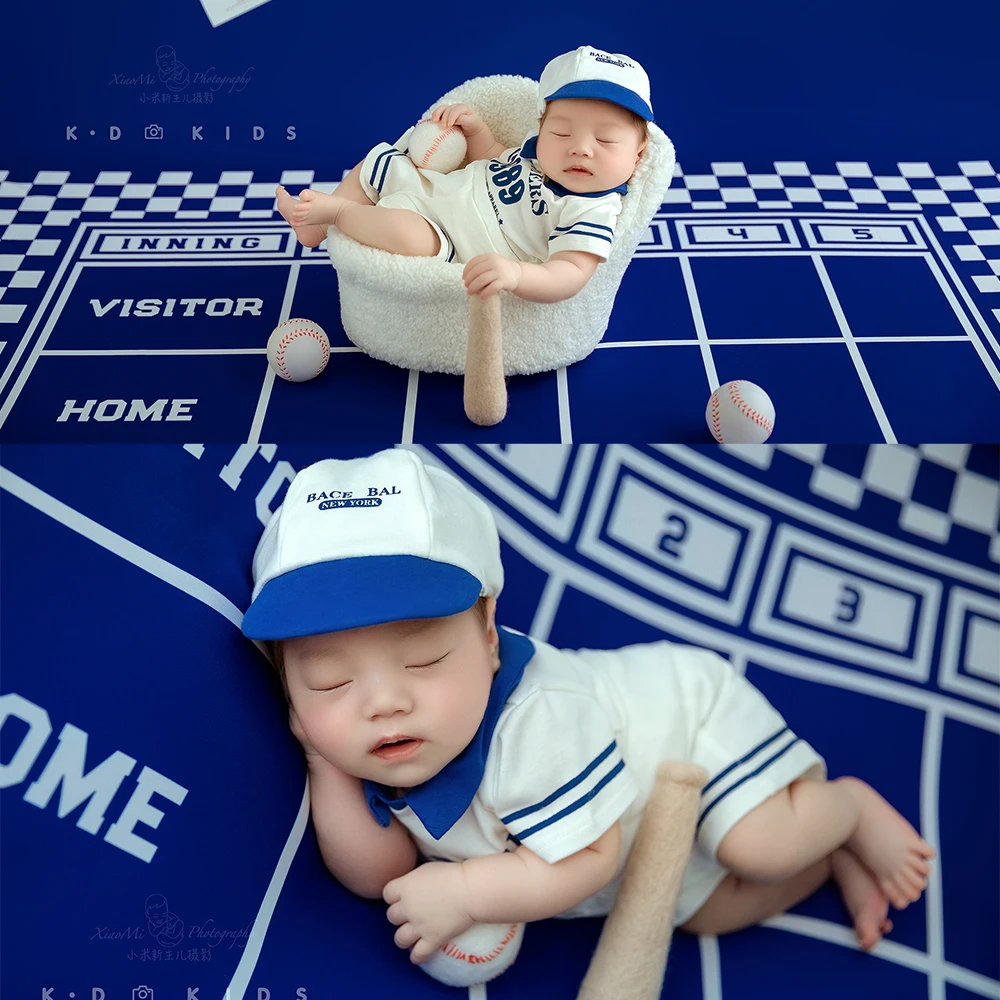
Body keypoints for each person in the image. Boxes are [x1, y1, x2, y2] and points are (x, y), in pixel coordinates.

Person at [240, 449, 935, 968]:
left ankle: (846, 808)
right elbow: (378, 874)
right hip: (626, 838)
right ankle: (827, 853)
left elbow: (593, 859)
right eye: (329, 680)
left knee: (754, 846)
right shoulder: (374, 736)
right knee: (710, 915)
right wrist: (319, 754)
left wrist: (469, 895)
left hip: (685, 729)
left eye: (423, 660)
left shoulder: (538, 721)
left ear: (487, 635)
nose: (383, 702)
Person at [273, 46, 653, 303]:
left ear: (638, 156)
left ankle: (337, 214)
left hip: (446, 237)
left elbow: (569, 272)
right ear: (542, 128)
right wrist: (475, 132)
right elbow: (490, 159)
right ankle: (313, 230)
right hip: (432, 188)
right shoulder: (532, 155)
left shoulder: (592, 209)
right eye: (562, 132)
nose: (581, 148)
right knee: (380, 161)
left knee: (407, 235)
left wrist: (517, 275)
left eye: (605, 140)